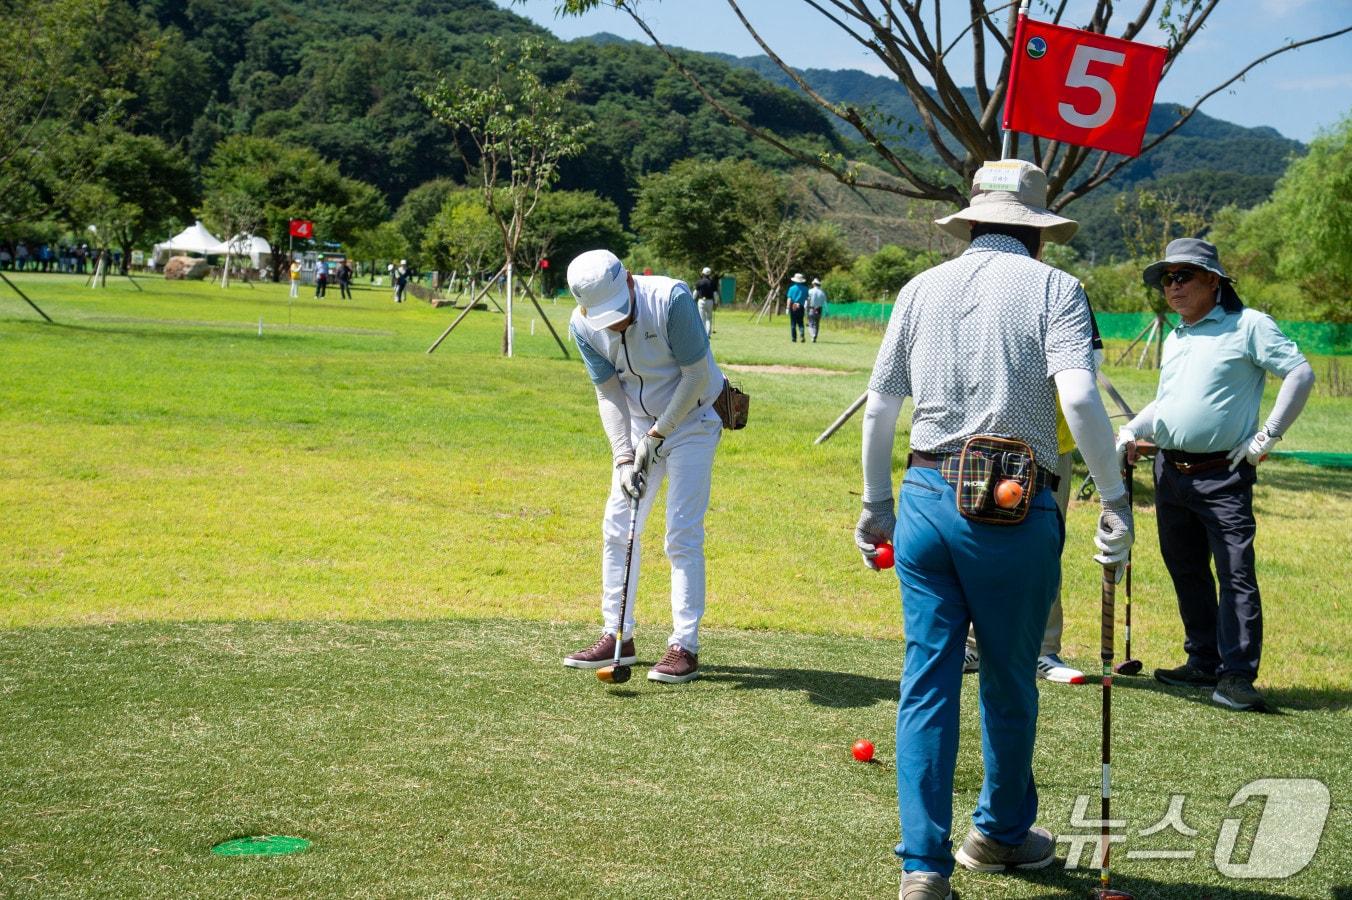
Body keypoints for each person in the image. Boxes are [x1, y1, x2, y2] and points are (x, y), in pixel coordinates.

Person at [853, 160, 1132, 900]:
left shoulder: (919, 288)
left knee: (928, 681)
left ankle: (922, 866)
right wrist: (1116, 496)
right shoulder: (1057, 288)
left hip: (922, 499)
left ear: (972, 221)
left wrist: (875, 503)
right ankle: (1002, 835)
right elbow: (1077, 395)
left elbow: (880, 408)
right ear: (1038, 232)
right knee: (1009, 678)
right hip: (1012, 507)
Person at [1116, 238, 1314, 713]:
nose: (1172, 287)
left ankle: (1237, 676)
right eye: (1167, 278)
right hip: (1170, 471)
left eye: (1183, 276)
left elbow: (1300, 374)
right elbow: (1168, 404)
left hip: (1222, 473)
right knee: (1185, 569)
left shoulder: (1249, 325)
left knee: (1235, 573)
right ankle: (1204, 660)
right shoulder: (1178, 334)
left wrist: (1265, 438)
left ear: (1213, 280)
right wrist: (1131, 430)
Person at [561, 249, 725, 684]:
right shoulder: (581, 325)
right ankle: (618, 634)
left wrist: (657, 437)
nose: (613, 323)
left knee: (681, 533)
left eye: (617, 311)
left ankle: (683, 645)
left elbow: (694, 376)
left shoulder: (670, 299)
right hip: (637, 426)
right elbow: (607, 392)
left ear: (629, 280)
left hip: (693, 419)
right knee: (618, 526)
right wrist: (623, 455)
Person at [694, 266, 717, 335]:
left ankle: (702, 334)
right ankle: (708, 334)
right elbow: (715, 294)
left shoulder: (699, 282)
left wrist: (692, 300)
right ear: (709, 274)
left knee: (702, 318)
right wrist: (716, 302)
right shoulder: (712, 282)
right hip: (710, 301)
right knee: (709, 318)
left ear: (703, 273)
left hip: (701, 301)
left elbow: (695, 292)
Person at [787, 272, 808, 342]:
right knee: (800, 322)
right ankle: (802, 333)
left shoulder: (791, 288)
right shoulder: (805, 289)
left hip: (793, 306)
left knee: (793, 323)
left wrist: (787, 308)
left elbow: (789, 299)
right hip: (801, 306)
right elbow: (807, 299)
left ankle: (794, 338)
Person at [806, 277, 826, 343]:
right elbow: (824, 303)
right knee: (817, 324)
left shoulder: (810, 291)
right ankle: (814, 337)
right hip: (819, 309)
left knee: (810, 323)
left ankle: (812, 335)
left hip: (811, 309)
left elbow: (807, 301)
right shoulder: (822, 292)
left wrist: (805, 308)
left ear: (814, 284)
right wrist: (827, 311)